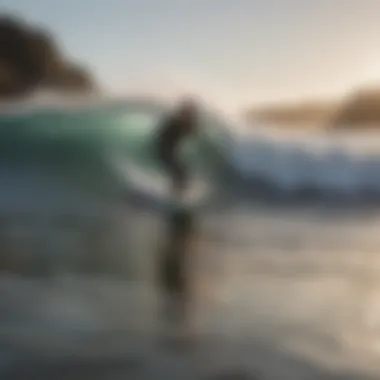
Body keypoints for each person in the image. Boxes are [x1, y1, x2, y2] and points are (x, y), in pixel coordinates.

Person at [155, 98, 198, 198]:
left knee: (182, 173)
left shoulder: (184, 122)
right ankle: (175, 195)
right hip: (164, 149)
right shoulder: (174, 122)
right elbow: (162, 135)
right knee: (180, 172)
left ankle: (177, 193)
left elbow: (191, 131)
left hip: (172, 150)